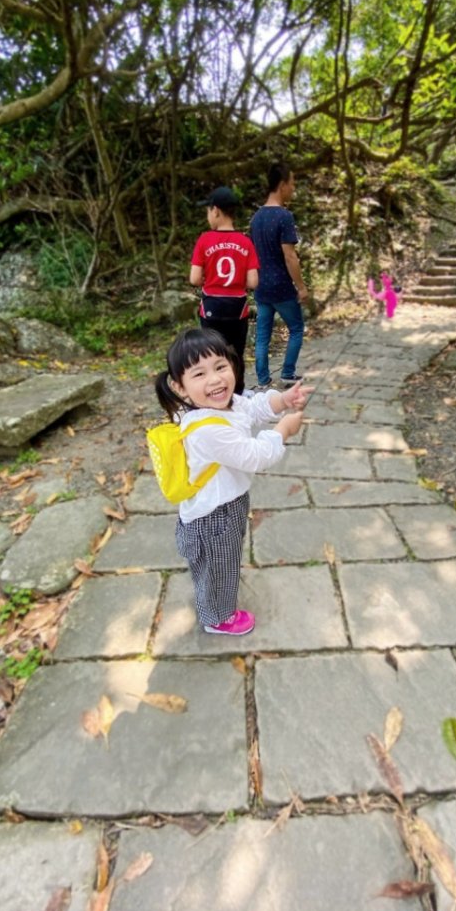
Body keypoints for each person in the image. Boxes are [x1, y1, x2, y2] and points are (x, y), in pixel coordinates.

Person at [155, 327, 311, 636]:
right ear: (180, 387)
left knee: (216, 564)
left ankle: (209, 595)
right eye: (199, 374)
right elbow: (253, 455)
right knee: (219, 566)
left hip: (226, 504)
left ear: (233, 365)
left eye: (220, 366)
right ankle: (217, 618)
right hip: (214, 517)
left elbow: (250, 409)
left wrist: (282, 399)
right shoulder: (206, 429)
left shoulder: (222, 405)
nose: (215, 379)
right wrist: (282, 431)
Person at [190, 186, 258, 394]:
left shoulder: (204, 240)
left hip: (211, 310)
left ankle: (214, 393)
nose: (208, 216)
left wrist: (207, 278)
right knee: (235, 353)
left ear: (216, 211)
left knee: (211, 355)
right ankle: (237, 392)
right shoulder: (245, 242)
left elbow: (194, 278)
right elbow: (253, 282)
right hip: (237, 311)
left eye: (208, 211)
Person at [249, 162, 309, 389]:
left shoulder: (256, 218)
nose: (293, 188)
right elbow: (290, 256)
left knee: (263, 334)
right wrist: (301, 287)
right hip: (282, 287)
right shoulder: (284, 217)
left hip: (262, 286)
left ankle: (263, 379)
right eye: (292, 183)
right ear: (282, 185)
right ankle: (287, 373)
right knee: (296, 328)